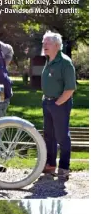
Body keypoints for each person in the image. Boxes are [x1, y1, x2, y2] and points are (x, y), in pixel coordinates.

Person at [40, 31, 77, 180]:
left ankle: (64, 167)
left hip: (59, 104)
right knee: (49, 136)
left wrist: (57, 103)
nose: (44, 45)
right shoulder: (48, 59)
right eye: (43, 43)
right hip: (47, 102)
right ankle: (50, 165)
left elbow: (70, 89)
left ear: (56, 45)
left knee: (62, 136)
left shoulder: (65, 63)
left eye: (47, 43)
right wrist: (46, 99)